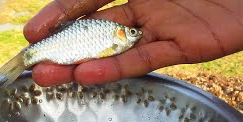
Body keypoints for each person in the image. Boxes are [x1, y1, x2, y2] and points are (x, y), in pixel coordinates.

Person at [23, 0, 243, 87]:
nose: (135, 34)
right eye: (129, 32)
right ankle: (26, 58)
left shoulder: (114, 37)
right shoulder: (113, 38)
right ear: (119, 33)